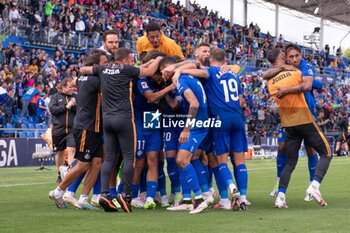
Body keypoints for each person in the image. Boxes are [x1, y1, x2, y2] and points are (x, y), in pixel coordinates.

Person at [79, 48, 163, 213]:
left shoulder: (102, 69)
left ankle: (104, 194)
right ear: (125, 60)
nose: (133, 62)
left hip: (108, 120)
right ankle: (126, 195)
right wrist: (159, 58)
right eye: (131, 59)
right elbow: (150, 71)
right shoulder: (127, 70)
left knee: (109, 158)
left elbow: (83, 69)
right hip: (125, 119)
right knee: (129, 158)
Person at [266, 48, 332, 208]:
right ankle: (314, 185)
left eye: (296, 56)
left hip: (290, 121)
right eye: (290, 57)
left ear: (300, 56)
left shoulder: (271, 81)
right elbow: (313, 84)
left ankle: (282, 195)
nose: (294, 59)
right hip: (303, 117)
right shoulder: (295, 73)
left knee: (299, 156)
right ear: (284, 58)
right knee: (327, 152)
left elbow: (313, 84)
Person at [49, 49, 108, 210]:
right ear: (95, 65)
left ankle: (83, 198)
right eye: (104, 64)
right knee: (83, 164)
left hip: (93, 127)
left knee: (96, 162)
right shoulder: (95, 80)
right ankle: (59, 191)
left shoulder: (84, 77)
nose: (107, 67)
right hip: (86, 127)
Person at [161, 59, 209, 214]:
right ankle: (187, 200)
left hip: (196, 126)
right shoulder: (186, 77)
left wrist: (186, 129)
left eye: (164, 70)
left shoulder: (181, 79)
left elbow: (194, 103)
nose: (162, 74)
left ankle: (200, 200)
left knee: (181, 160)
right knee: (183, 161)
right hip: (197, 124)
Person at [49, 77, 77, 183]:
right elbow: (53, 110)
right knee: (59, 153)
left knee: (72, 150)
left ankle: (71, 174)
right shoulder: (56, 97)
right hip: (58, 130)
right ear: (64, 87)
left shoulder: (76, 97)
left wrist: (73, 105)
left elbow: (80, 109)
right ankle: (60, 173)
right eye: (70, 87)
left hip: (72, 130)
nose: (72, 89)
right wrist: (66, 106)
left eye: (73, 87)